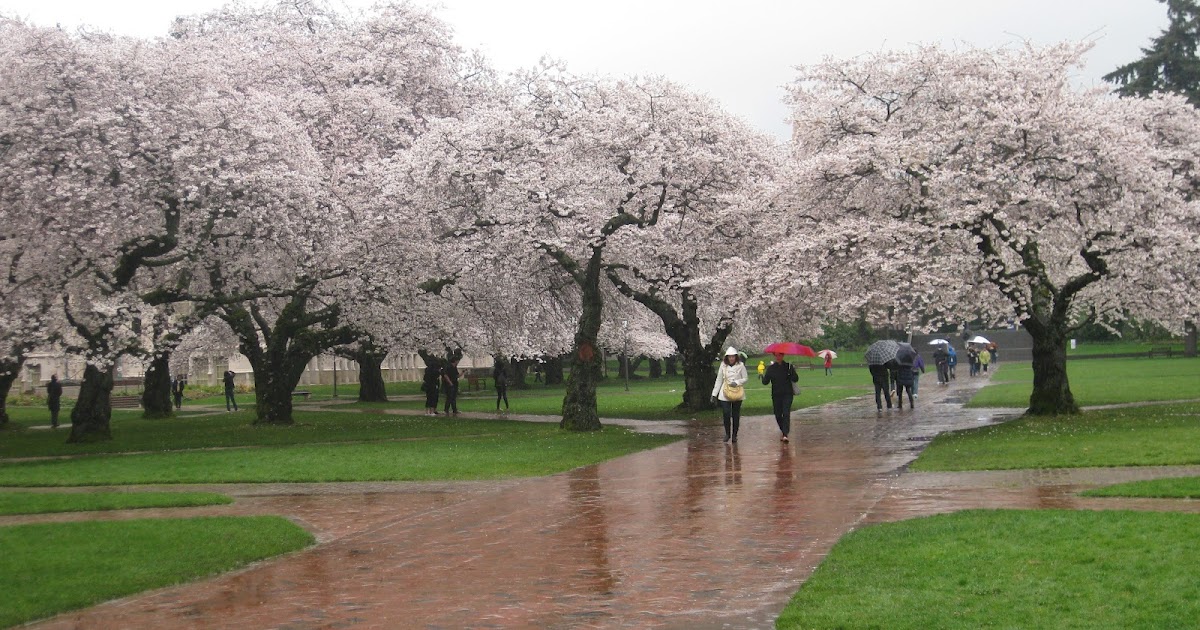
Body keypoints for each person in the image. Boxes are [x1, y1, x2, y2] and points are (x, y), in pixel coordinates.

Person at [711, 347, 748, 443]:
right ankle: (727, 433)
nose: (731, 358)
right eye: (729, 357)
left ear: (736, 357)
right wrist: (714, 394)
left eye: (733, 357)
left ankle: (734, 435)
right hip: (725, 393)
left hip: (737, 392)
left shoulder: (741, 365)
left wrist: (737, 382)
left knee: (736, 414)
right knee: (726, 413)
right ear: (726, 357)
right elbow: (719, 380)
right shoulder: (723, 366)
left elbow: (745, 378)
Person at [761, 351, 799, 442]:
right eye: (776, 355)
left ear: (783, 355)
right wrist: (763, 376)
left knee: (786, 413)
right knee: (778, 414)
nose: (778, 357)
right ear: (774, 356)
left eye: (780, 355)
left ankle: (785, 434)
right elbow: (765, 382)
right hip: (776, 394)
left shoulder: (788, 366)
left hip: (787, 394)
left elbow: (796, 379)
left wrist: (791, 373)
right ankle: (783, 430)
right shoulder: (771, 368)